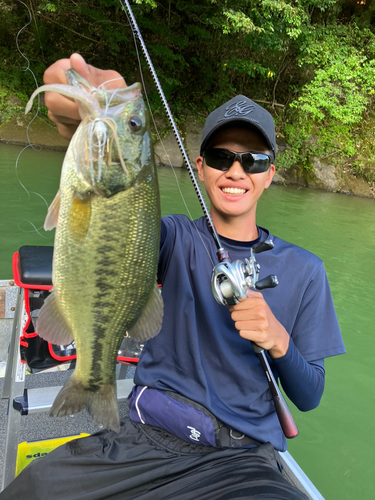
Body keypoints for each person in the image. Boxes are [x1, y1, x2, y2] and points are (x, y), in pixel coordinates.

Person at [0, 54, 346, 500]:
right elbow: (113, 223)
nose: (236, 170)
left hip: (239, 462)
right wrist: (79, 123)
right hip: (143, 438)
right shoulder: (171, 236)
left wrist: (280, 342)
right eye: (222, 156)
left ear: (269, 175)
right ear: (200, 167)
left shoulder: (306, 270)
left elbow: (310, 394)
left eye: (253, 160)